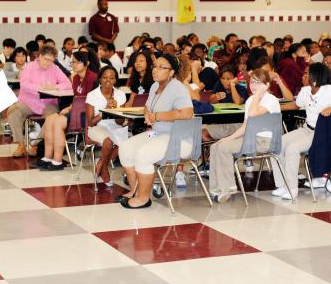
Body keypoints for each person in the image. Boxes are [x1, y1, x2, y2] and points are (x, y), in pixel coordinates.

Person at [118, 54, 194, 208]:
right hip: (157, 133)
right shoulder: (154, 86)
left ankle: (143, 198)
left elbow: (187, 113)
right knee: (126, 148)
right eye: (155, 66)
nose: (155, 70)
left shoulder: (178, 88)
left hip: (177, 138)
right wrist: (148, 115)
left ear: (171, 72)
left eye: (161, 67)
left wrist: (157, 116)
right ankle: (135, 190)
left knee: (143, 154)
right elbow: (147, 107)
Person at [208, 69, 281, 203]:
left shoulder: (271, 100)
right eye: (252, 82)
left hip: (265, 141)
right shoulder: (250, 100)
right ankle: (216, 188)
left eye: (258, 83)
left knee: (224, 149)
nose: (253, 85)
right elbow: (245, 127)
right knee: (216, 146)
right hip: (250, 138)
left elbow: (253, 114)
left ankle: (228, 188)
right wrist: (228, 138)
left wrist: (258, 96)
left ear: (267, 85)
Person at [274, 63, 331, 199]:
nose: (303, 75)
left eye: (306, 73)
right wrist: (275, 107)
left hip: (320, 133)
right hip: (306, 129)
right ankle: (282, 185)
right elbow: (295, 104)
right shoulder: (305, 90)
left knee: (292, 149)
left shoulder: (328, 90)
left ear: (315, 78)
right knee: (278, 144)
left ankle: (292, 189)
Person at [7, 44, 71, 157]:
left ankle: (35, 144)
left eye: (51, 60)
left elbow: (67, 83)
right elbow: (24, 84)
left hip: (48, 103)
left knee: (53, 119)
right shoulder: (29, 67)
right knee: (12, 111)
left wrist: (55, 87)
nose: (48, 63)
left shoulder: (55, 68)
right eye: (46, 59)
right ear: (40, 56)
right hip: (29, 102)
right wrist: (40, 88)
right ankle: (21, 145)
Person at [38, 52, 98, 171]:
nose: (74, 65)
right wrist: (69, 108)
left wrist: (71, 108)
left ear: (87, 64)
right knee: (50, 119)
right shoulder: (75, 78)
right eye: (73, 62)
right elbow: (77, 99)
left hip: (88, 115)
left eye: (78, 62)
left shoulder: (93, 78)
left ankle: (58, 161)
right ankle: (47, 157)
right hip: (76, 111)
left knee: (58, 122)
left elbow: (90, 102)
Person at [86, 66, 127, 186]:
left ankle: (102, 162)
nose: (108, 80)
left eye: (111, 78)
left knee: (127, 143)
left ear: (115, 80)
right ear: (99, 79)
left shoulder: (121, 95)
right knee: (108, 142)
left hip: (115, 126)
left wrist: (118, 110)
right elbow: (90, 123)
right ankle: (104, 170)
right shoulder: (92, 95)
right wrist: (105, 111)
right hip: (97, 127)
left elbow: (120, 122)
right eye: (104, 77)